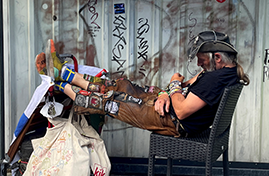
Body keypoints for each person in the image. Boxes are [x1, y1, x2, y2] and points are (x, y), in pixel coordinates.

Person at [35, 31, 249, 137]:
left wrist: (173, 86)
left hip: (173, 120)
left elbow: (182, 110)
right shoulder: (225, 74)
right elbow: (184, 84)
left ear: (217, 58)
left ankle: (60, 83)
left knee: (111, 101)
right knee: (121, 85)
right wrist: (167, 92)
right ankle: (64, 73)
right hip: (166, 108)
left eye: (201, 58)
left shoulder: (213, 79)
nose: (198, 62)